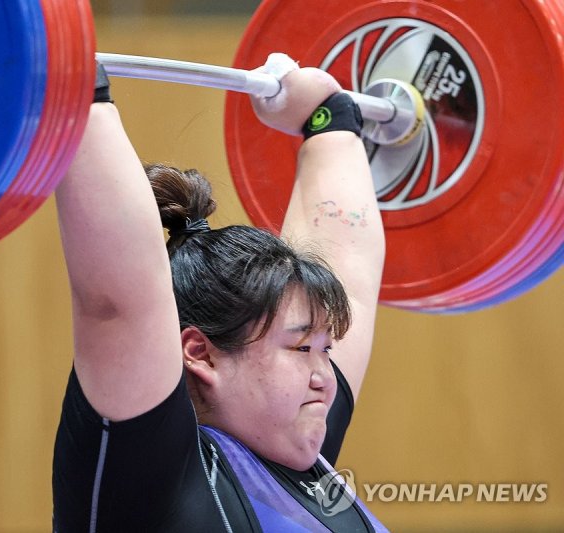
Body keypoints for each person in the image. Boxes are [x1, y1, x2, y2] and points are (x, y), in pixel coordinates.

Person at [52, 53, 388, 532]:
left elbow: (350, 268)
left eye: (324, 349)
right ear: (200, 353)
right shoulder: (152, 484)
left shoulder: (297, 451)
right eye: (300, 348)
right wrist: (76, 85)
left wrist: (328, 120)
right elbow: (119, 305)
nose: (325, 378)